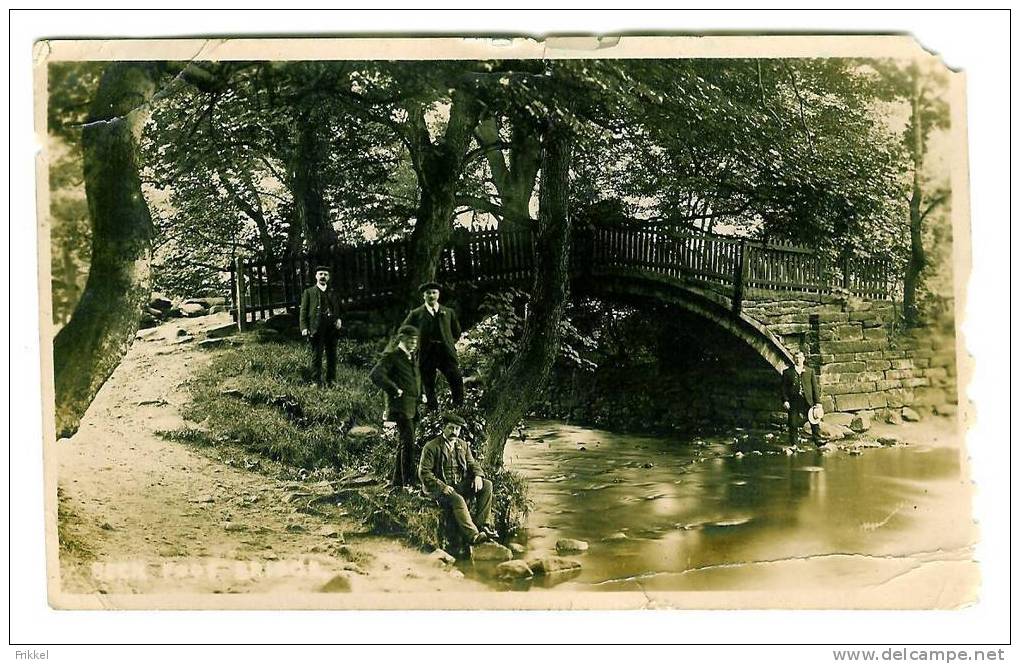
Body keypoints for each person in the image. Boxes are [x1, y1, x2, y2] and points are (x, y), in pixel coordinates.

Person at [418, 412, 495, 548]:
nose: (454, 432)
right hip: (438, 488)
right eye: (451, 428)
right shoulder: (431, 447)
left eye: (457, 429)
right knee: (457, 499)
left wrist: (478, 476)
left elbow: (472, 464)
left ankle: (483, 526)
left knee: (487, 485)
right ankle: (474, 536)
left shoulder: (463, 445)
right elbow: (424, 473)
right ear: (444, 428)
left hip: (458, 485)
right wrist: (442, 487)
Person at [369, 325, 422, 487]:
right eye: (411, 340)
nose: (414, 343)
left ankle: (397, 481)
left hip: (412, 406)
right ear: (402, 339)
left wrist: (423, 393)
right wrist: (394, 389)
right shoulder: (392, 356)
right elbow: (375, 374)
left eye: (415, 341)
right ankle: (409, 482)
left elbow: (416, 377)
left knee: (404, 443)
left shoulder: (411, 357)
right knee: (408, 443)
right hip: (400, 407)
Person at [402, 282, 464, 411]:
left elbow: (456, 332)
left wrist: (449, 343)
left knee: (456, 378)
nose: (431, 295)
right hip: (426, 354)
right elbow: (404, 331)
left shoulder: (448, 312)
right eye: (428, 293)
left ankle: (458, 408)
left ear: (439, 294)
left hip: (445, 353)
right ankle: (433, 413)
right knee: (429, 385)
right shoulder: (416, 314)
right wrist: (413, 346)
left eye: (434, 292)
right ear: (423, 296)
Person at [299, 265, 344, 386]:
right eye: (320, 274)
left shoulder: (333, 293)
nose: (323, 277)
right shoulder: (309, 292)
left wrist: (339, 319)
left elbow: (340, 309)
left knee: (332, 355)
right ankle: (316, 381)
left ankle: (331, 380)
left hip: (332, 327)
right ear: (316, 276)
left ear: (328, 277)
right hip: (316, 327)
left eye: (325, 274)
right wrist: (304, 327)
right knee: (317, 355)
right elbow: (303, 311)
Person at [782, 349, 822, 446]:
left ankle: (818, 440)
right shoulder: (787, 372)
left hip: (807, 400)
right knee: (793, 422)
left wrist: (818, 402)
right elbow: (783, 388)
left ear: (803, 359)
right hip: (794, 400)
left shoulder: (810, 371)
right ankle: (794, 443)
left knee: (814, 420)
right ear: (793, 359)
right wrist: (785, 400)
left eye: (800, 358)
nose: (798, 360)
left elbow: (814, 388)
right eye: (796, 358)